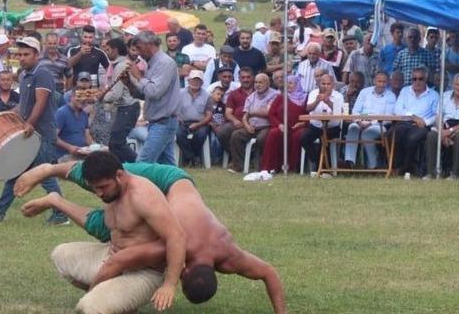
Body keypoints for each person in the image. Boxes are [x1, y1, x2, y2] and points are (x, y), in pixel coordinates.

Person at [15, 156, 286, 312]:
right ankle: (50, 169)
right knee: (107, 186)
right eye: (181, 277)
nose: (178, 275)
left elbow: (269, 273)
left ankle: (55, 194)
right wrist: (169, 284)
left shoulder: (230, 253)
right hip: (172, 179)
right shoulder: (196, 248)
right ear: (186, 269)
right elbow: (127, 257)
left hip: (164, 209)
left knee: (119, 221)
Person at [18, 153, 186, 313]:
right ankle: (115, 301)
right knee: (61, 255)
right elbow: (74, 169)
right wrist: (50, 186)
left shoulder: (143, 196)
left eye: (102, 187)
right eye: (94, 188)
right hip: (111, 256)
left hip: (144, 272)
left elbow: (176, 237)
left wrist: (169, 284)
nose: (98, 193)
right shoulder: (110, 192)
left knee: (90, 307)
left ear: (119, 175)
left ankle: (105, 299)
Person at [0, 36, 67, 225]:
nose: (22, 58)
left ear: (36, 55)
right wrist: (6, 115)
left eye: (26, 54)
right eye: (20, 54)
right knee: (17, 171)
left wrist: (30, 123)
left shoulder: (42, 74)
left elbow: (41, 101)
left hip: (40, 133)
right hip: (29, 134)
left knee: (44, 175)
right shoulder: (24, 74)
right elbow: (24, 105)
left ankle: (61, 213)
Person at [121, 31, 181, 166]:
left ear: (149, 45)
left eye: (139, 48)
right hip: (158, 122)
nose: (138, 53)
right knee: (167, 165)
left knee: (143, 164)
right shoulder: (152, 63)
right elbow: (146, 95)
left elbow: (154, 92)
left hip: (163, 122)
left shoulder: (165, 63)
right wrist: (129, 84)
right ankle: (181, 186)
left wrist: (139, 76)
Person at [388, 67, 439, 177]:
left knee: (412, 138)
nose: (417, 82)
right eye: (414, 79)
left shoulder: (434, 95)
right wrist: (413, 117)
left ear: (426, 79)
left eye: (420, 79)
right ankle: (397, 166)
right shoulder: (405, 90)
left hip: (422, 126)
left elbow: (436, 116)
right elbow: (397, 110)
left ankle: (406, 168)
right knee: (394, 133)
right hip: (405, 123)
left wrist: (424, 122)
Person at [97, 37, 141, 163]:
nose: (107, 53)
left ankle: (139, 163)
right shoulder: (122, 64)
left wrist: (99, 98)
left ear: (116, 50)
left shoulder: (120, 66)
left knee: (116, 141)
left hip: (128, 107)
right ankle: (121, 168)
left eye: (108, 50)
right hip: (127, 107)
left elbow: (116, 94)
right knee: (114, 142)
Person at [342, 72, 396, 169]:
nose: (381, 84)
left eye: (384, 82)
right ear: (374, 81)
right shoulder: (364, 92)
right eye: (379, 81)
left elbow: (389, 117)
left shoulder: (391, 95)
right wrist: (359, 121)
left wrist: (371, 122)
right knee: (352, 127)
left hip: (379, 124)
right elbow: (356, 111)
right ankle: (350, 161)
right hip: (362, 120)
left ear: (387, 83)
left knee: (367, 133)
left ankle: (372, 165)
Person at [228, 73, 278, 172]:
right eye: (256, 82)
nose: (257, 85)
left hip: (267, 126)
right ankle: (240, 167)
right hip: (252, 127)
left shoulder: (275, 94)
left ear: (268, 83)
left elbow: (268, 112)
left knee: (261, 139)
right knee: (236, 135)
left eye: (260, 82)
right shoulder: (251, 97)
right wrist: (246, 125)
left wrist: (252, 112)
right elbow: (245, 115)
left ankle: (261, 167)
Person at [423, 73, 459, 179]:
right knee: (431, 136)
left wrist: (450, 132)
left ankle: (455, 173)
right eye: (457, 85)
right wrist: (442, 133)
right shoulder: (445, 96)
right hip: (443, 127)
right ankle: (432, 172)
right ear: (453, 85)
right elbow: (438, 116)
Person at [260, 75, 308, 173]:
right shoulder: (280, 97)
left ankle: (292, 168)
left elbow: (309, 115)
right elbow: (271, 114)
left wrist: (302, 124)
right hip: (282, 127)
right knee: (273, 133)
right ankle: (268, 167)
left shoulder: (305, 99)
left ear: (297, 84)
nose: (288, 85)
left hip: (297, 127)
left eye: (291, 83)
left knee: (296, 137)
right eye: (286, 83)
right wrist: (279, 125)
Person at [300, 73, 344, 171]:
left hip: (332, 127)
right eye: (323, 84)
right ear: (319, 84)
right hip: (316, 126)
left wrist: (328, 102)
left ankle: (322, 169)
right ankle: (317, 162)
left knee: (323, 140)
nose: (325, 86)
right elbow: (307, 109)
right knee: (304, 138)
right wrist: (316, 101)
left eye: (328, 84)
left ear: (333, 85)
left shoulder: (338, 96)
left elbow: (340, 113)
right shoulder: (313, 93)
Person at [215, 68, 255, 156]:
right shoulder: (233, 94)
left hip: (255, 124)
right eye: (243, 77)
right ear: (239, 79)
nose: (246, 80)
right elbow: (228, 113)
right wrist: (234, 121)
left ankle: (246, 157)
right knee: (221, 131)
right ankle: (237, 155)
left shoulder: (258, 92)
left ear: (253, 78)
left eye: (248, 77)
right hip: (238, 123)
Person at [175, 70, 212, 167]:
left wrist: (198, 124)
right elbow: (174, 109)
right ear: (188, 80)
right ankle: (193, 158)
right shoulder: (179, 93)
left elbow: (209, 116)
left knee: (201, 134)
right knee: (178, 134)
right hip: (183, 122)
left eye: (198, 80)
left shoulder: (207, 95)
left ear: (202, 82)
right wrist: (178, 117)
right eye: (193, 80)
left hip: (201, 123)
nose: (195, 82)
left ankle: (190, 158)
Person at [55, 87, 93, 161]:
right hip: (66, 156)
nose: (82, 100)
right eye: (79, 97)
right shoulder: (61, 112)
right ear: (72, 97)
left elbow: (87, 135)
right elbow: (53, 137)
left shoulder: (84, 114)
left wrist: (94, 147)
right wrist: (69, 147)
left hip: (82, 154)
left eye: (84, 97)